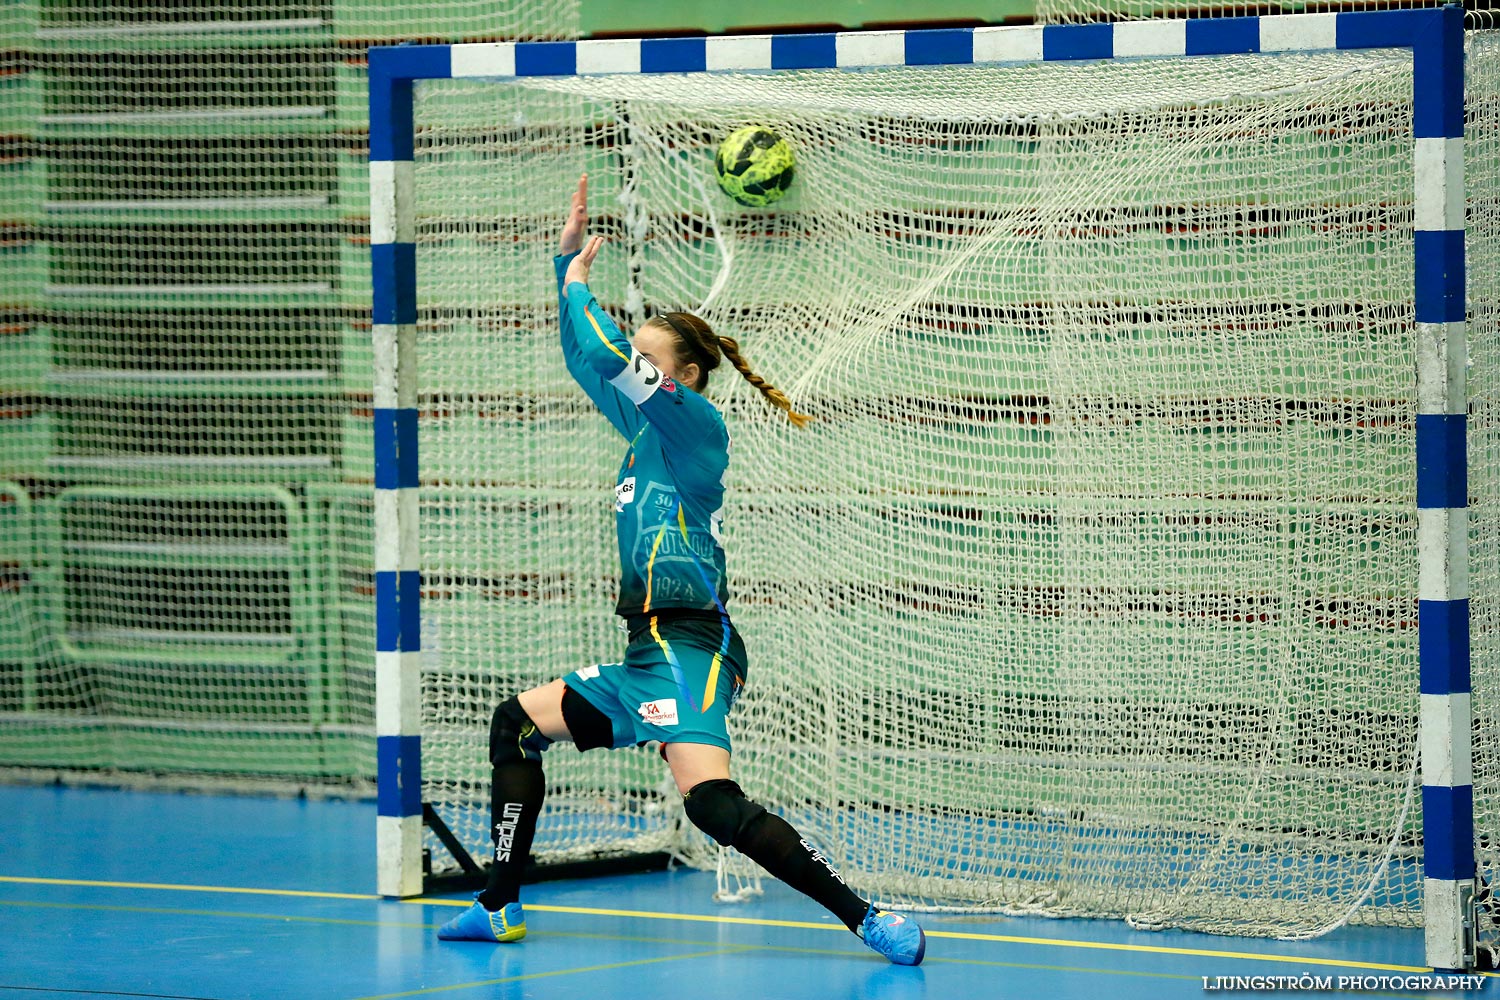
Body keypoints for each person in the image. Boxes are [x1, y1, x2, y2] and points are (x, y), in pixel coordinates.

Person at [436, 174, 925, 966]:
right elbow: (582, 354)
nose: (632, 362)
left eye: (648, 357)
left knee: (711, 806)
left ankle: (867, 917)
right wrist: (561, 261)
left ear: (683, 374)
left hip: (691, 645)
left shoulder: (695, 426)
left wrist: (576, 282)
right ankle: (498, 905)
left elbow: (599, 346)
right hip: (644, 650)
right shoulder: (642, 430)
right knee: (515, 724)